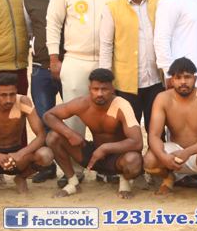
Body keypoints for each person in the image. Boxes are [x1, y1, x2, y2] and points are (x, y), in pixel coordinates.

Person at [46, 0, 124, 137]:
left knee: (110, 119)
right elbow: (53, 23)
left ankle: (107, 158)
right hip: (75, 60)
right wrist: (54, 59)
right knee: (74, 121)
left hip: (108, 61)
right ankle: (76, 159)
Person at [43, 68, 144, 199]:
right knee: (53, 137)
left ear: (112, 89)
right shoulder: (82, 104)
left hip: (119, 158)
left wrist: (106, 148)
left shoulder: (122, 105)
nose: (99, 93)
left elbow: (137, 142)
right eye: (96, 89)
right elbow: (48, 116)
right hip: (94, 156)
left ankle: (124, 181)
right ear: (90, 89)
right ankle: (73, 183)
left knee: (134, 160)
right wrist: (69, 133)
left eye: (104, 89)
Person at [144, 58, 197, 197]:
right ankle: (168, 178)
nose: (183, 82)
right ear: (172, 80)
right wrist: (163, 156)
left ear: (195, 79)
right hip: (175, 151)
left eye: (187, 77)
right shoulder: (162, 98)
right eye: (178, 78)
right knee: (149, 160)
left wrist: (188, 152)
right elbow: (154, 135)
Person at [100, 0, 162, 123]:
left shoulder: (159, 4)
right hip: (125, 84)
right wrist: (106, 81)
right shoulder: (112, 8)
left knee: (156, 127)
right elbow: (106, 46)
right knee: (129, 128)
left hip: (156, 81)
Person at [23, 0, 63, 183]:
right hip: (40, 68)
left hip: (68, 66)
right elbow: (30, 30)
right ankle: (49, 166)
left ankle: (76, 168)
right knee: (44, 119)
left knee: (73, 119)